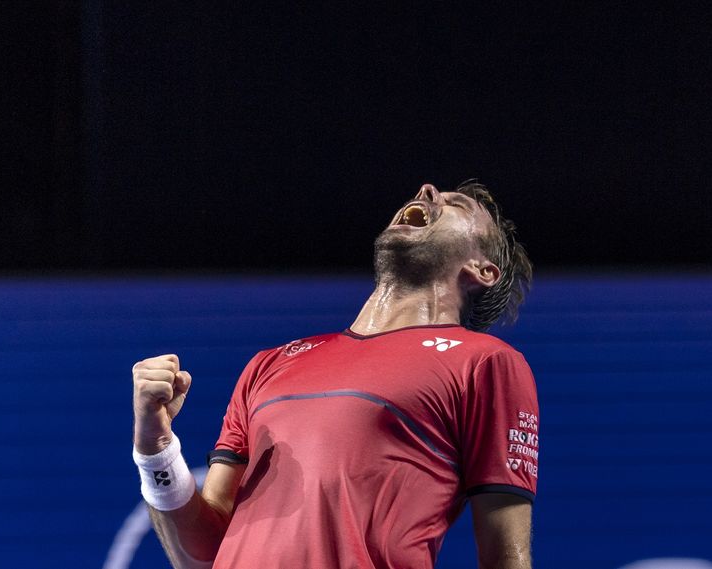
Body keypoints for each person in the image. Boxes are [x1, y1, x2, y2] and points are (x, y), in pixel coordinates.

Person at [131, 181, 538, 569]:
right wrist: (155, 449)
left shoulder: (484, 363)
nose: (426, 191)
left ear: (482, 270)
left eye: (457, 205)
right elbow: (201, 556)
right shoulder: (270, 364)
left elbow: (506, 557)